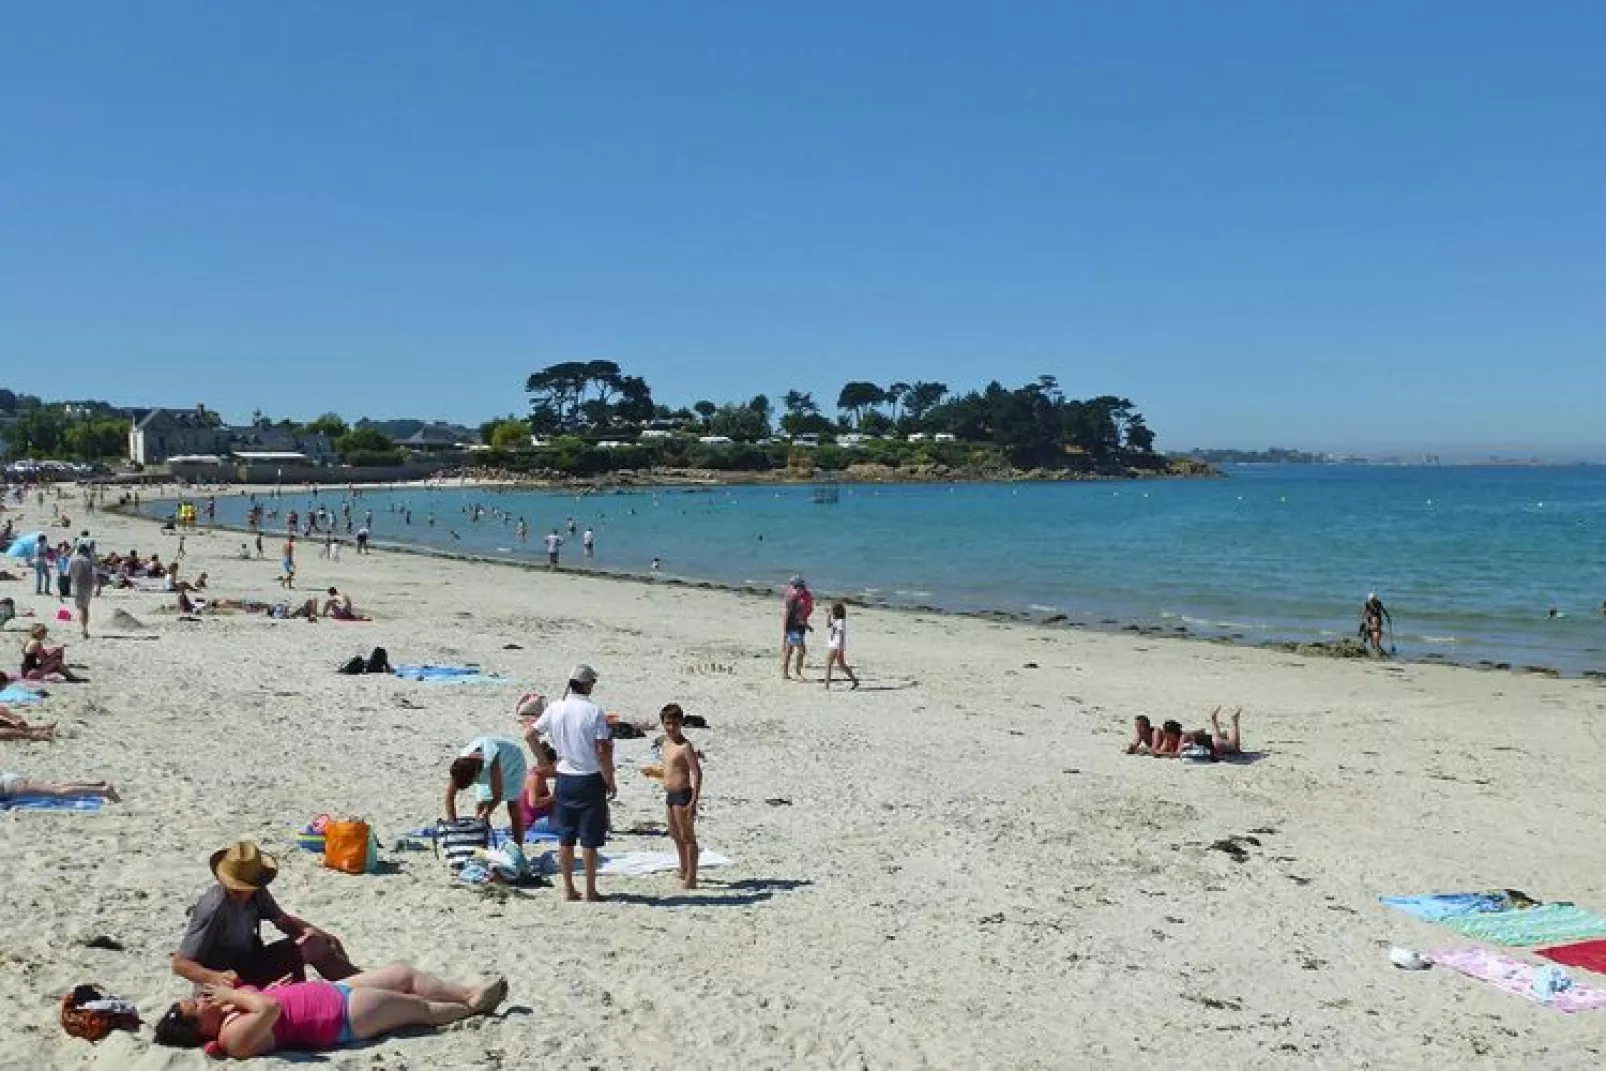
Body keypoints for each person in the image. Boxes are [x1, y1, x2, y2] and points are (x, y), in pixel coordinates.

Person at [153, 965, 508, 1058]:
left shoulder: (227, 1011)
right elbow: (270, 1009)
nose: (203, 1001)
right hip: (339, 1018)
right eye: (197, 1008)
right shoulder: (232, 1039)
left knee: (404, 974)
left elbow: (269, 999)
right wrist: (240, 996)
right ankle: (471, 1008)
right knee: (417, 1008)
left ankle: (467, 993)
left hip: (330, 993)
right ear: (200, 1030)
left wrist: (267, 990)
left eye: (196, 1000)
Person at [172, 841, 360, 990]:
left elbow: (283, 921)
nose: (237, 890)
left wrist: (319, 934)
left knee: (316, 943)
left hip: (252, 962)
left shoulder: (257, 892)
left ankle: (361, 983)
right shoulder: (213, 909)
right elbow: (181, 964)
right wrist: (216, 977)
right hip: (227, 982)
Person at [530, 665, 615, 901]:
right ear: (587, 684)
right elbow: (602, 750)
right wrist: (610, 779)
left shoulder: (556, 707)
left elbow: (530, 734)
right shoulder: (594, 711)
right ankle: (590, 889)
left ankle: (568, 888)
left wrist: (543, 761)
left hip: (564, 778)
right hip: (589, 778)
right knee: (589, 839)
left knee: (566, 837)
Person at [445, 735, 528, 846]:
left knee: (513, 806)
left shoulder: (490, 759)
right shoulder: (461, 766)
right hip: (481, 766)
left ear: (475, 776)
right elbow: (449, 797)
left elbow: (498, 795)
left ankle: (518, 848)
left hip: (512, 761)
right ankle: (482, 847)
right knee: (481, 806)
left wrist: (487, 812)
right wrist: (453, 823)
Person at [659, 703, 703, 889]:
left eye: (675, 724)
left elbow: (697, 772)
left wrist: (693, 801)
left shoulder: (685, 746)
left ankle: (691, 877)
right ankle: (683, 867)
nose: (671, 728)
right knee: (674, 833)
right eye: (668, 723)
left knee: (687, 836)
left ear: (681, 723)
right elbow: (670, 768)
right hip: (670, 793)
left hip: (683, 794)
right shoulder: (666, 743)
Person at [781, 576, 814, 681]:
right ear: (798, 587)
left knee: (789, 651)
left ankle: (785, 673)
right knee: (801, 651)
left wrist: (785, 630)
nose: (803, 589)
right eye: (801, 587)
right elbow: (798, 617)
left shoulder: (791, 597)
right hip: (796, 629)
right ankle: (797, 672)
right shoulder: (796, 600)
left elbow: (787, 615)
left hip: (792, 628)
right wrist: (808, 626)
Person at [0, 770, 117, 800]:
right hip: (9, 778)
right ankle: (95, 784)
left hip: (10, 786)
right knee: (54, 785)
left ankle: (102, 790)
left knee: (58, 791)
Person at [822, 601, 859, 690]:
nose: (831, 611)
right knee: (841, 665)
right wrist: (828, 615)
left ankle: (826, 685)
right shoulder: (836, 621)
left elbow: (842, 635)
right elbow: (827, 625)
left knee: (828, 663)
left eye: (833, 610)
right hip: (834, 644)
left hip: (837, 645)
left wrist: (840, 648)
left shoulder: (841, 622)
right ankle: (854, 681)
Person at [68, 545, 94, 639]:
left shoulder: (72, 560)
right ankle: (85, 628)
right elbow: (93, 573)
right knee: (85, 608)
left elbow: (67, 573)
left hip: (77, 586)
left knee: (80, 608)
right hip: (89, 586)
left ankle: (83, 628)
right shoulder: (88, 560)